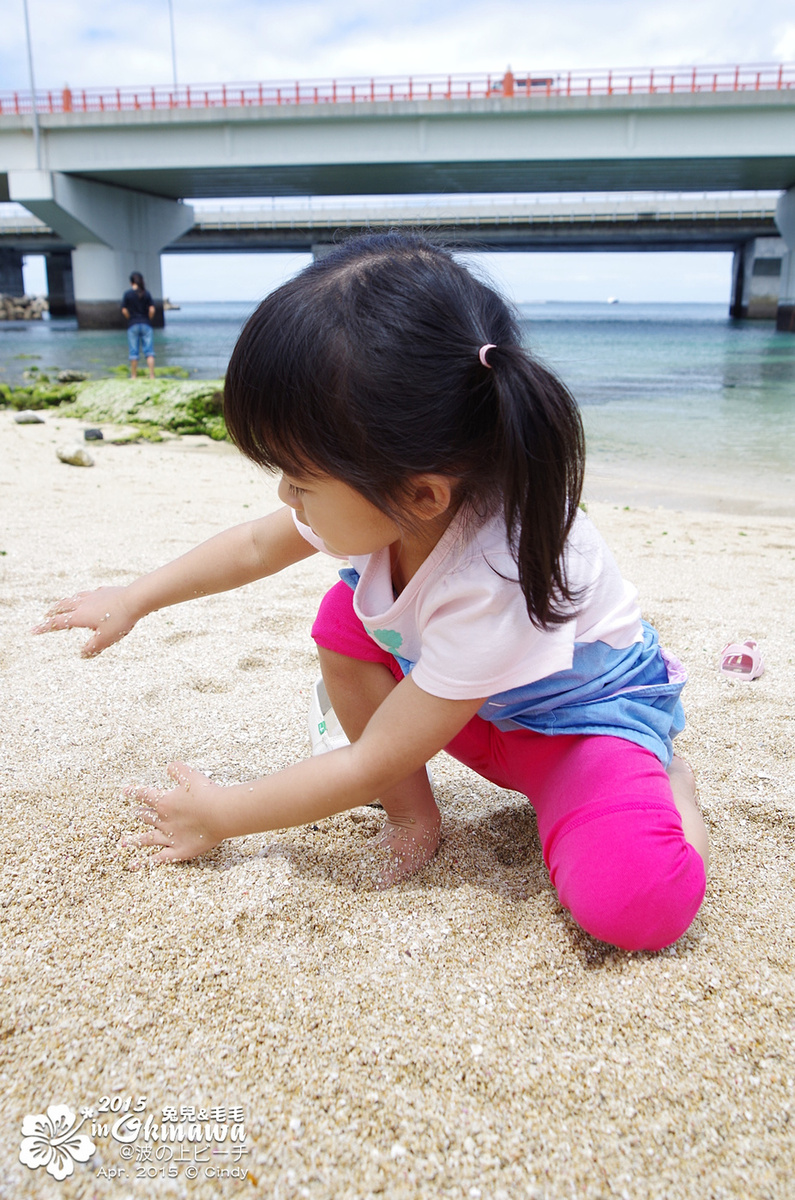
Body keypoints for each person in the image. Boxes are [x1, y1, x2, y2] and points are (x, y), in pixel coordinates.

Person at [33, 233, 708, 952]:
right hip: (478, 712)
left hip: (577, 733)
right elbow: (259, 544)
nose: (285, 495)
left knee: (635, 906)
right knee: (345, 618)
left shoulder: (493, 573)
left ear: (420, 493)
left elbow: (368, 759)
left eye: (298, 476)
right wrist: (137, 595)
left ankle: (668, 777)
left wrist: (222, 814)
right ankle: (414, 818)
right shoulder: (404, 492)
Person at [121, 271, 156, 379]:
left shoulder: (127, 294)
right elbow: (152, 309)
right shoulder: (146, 293)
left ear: (131, 282)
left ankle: (133, 375)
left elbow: (124, 310)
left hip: (133, 324)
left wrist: (130, 318)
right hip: (146, 323)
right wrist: (148, 319)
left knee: (133, 352)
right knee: (149, 351)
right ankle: (152, 375)